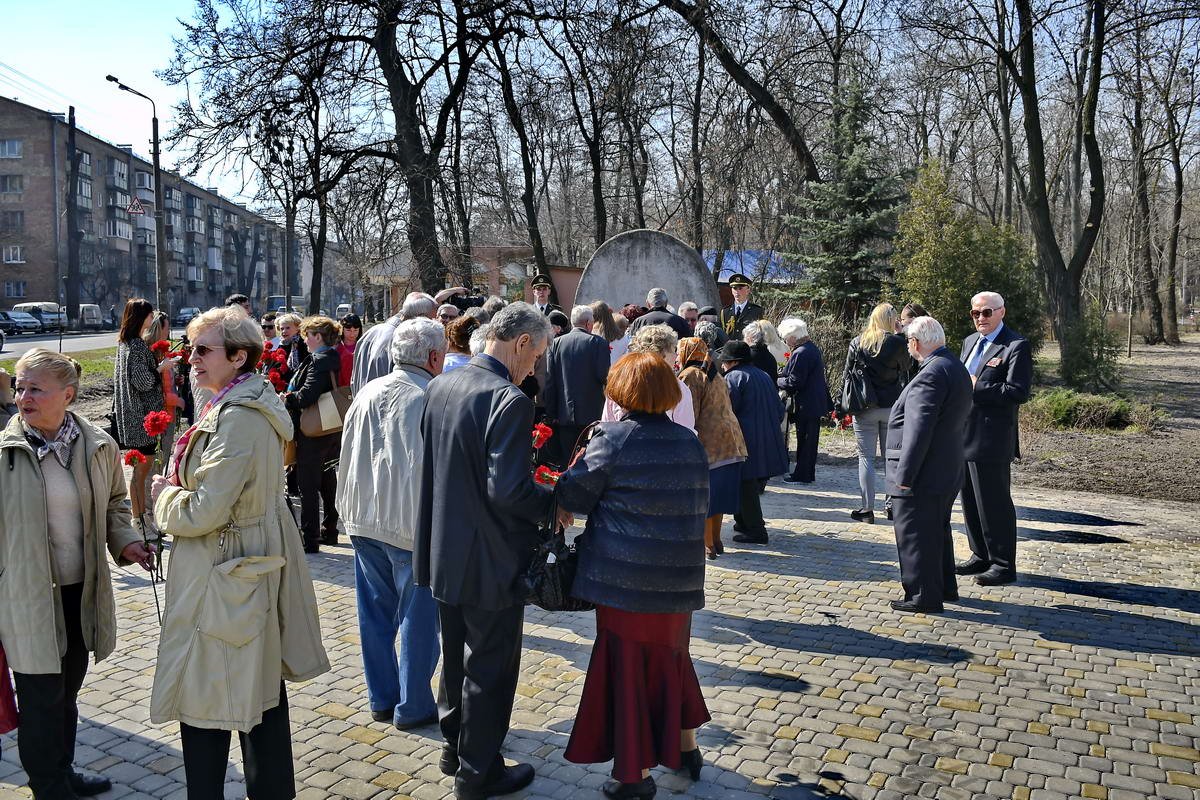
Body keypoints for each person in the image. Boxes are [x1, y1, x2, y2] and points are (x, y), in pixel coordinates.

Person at [148, 307, 330, 800]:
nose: (192, 360)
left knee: (211, 697)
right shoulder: (229, 403)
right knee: (258, 693)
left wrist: (163, 494)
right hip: (237, 569)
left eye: (203, 350)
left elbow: (203, 512)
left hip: (226, 572)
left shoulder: (239, 419)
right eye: (190, 349)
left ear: (238, 356)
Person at [415, 302, 558, 800]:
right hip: (489, 556)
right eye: (536, 355)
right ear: (520, 342)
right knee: (490, 668)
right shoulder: (508, 399)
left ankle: (455, 749)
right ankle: (478, 772)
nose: (534, 366)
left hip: (442, 548)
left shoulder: (441, 384)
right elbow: (510, 490)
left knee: (455, 656)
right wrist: (554, 502)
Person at [557, 353, 711, 799]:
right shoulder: (689, 441)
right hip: (679, 578)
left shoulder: (614, 437)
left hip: (626, 583)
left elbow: (576, 492)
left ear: (621, 391)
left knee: (626, 667)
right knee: (671, 659)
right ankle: (686, 748)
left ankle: (634, 775)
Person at [1, 349, 153, 800]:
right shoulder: (6, 452)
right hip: (26, 597)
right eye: (20, 386)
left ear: (67, 395)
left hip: (80, 594)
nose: (23, 396)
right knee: (40, 699)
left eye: (35, 388)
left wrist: (126, 541)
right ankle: (48, 787)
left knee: (66, 694)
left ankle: (63, 774)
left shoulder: (98, 445)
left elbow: (114, 505)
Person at [337, 319, 446, 730]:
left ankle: (382, 698)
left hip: (365, 518)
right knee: (416, 620)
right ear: (434, 357)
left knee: (375, 616)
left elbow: (347, 453)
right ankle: (412, 705)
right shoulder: (428, 396)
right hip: (407, 524)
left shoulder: (367, 391)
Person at [885, 316, 972, 613]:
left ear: (914, 343)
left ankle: (922, 595)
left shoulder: (931, 374)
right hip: (945, 467)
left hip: (923, 472)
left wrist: (905, 477)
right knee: (936, 532)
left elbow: (918, 430)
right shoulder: (952, 366)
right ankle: (944, 587)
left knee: (916, 534)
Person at [956, 291, 1032, 587]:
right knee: (970, 500)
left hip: (992, 437)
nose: (980, 319)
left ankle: (1003, 563)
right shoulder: (969, 342)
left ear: (1002, 312)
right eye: (975, 313)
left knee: (994, 503)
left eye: (987, 312)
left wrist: (977, 386)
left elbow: (1017, 392)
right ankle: (981, 554)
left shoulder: (1015, 346)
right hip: (963, 434)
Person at [677, 338, 747, 560]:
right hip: (731, 441)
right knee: (718, 499)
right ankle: (716, 541)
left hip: (711, 445)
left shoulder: (690, 375)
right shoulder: (714, 373)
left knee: (705, 497)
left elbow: (690, 413)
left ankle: (707, 545)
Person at [843, 303, 910, 524]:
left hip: (865, 407)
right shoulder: (897, 343)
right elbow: (907, 369)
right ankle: (891, 506)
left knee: (866, 458)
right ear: (891, 320)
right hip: (892, 406)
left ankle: (866, 508)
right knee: (890, 458)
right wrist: (900, 334)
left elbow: (847, 376)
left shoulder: (858, 342)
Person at [283, 315, 344, 553]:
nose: (305, 340)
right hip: (329, 427)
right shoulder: (331, 357)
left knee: (307, 484)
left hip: (313, 430)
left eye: (308, 335)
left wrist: (287, 398)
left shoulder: (319, 360)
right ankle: (330, 530)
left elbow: (307, 396)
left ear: (318, 337)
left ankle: (310, 539)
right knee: (327, 479)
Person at [113, 298, 175, 529]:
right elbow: (142, 381)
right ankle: (139, 521)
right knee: (140, 474)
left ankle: (138, 519)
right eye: (150, 315)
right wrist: (161, 368)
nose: (152, 319)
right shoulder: (137, 345)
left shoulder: (124, 343)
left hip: (132, 417)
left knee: (138, 473)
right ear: (141, 317)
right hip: (143, 419)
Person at [720, 341, 787, 545]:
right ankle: (743, 522)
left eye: (724, 361)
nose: (722, 365)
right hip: (766, 437)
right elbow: (778, 409)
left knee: (745, 484)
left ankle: (756, 530)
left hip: (745, 439)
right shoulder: (763, 375)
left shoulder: (732, 378)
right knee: (745, 484)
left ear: (732, 362)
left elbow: (727, 412)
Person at [543, 305, 611, 466]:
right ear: (588, 323)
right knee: (589, 461)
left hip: (563, 413)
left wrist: (551, 413)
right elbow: (605, 377)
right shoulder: (598, 343)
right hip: (592, 413)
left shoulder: (556, 344)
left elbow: (550, 381)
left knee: (567, 461)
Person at [602, 325, 694, 432]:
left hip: (624, 444)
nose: (677, 355)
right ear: (661, 353)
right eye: (674, 350)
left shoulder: (620, 381)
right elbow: (686, 430)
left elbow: (607, 425)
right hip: (664, 446)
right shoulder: (676, 387)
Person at [777, 318, 831, 484]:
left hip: (807, 403)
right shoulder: (810, 348)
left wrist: (776, 380)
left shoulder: (801, 352)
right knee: (808, 440)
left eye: (786, 337)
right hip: (812, 402)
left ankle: (803, 474)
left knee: (806, 440)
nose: (785, 341)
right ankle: (806, 473)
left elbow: (795, 381)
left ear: (793, 337)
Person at [352, 292, 437, 393]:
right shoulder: (403, 343)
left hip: (362, 402)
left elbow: (353, 380)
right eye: (430, 321)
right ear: (419, 317)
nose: (431, 326)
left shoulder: (371, 333)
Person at [627, 288, 692, 340]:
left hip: (646, 356)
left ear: (648, 304)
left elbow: (631, 347)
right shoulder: (680, 322)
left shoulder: (639, 322)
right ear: (666, 303)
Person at [719, 274, 764, 339]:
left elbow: (761, 336)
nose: (737, 291)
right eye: (734, 288)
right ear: (731, 291)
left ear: (748, 290)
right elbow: (722, 336)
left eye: (740, 288)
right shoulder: (725, 312)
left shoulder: (756, 311)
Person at [275, 313, 307, 384]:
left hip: (301, 382)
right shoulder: (281, 344)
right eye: (282, 329)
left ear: (297, 328)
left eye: (288, 328)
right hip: (287, 383)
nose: (284, 331)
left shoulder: (304, 342)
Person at [335, 313, 362, 388]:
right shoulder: (336, 347)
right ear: (342, 329)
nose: (352, 334)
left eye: (355, 330)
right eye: (348, 330)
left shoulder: (363, 346)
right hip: (339, 390)